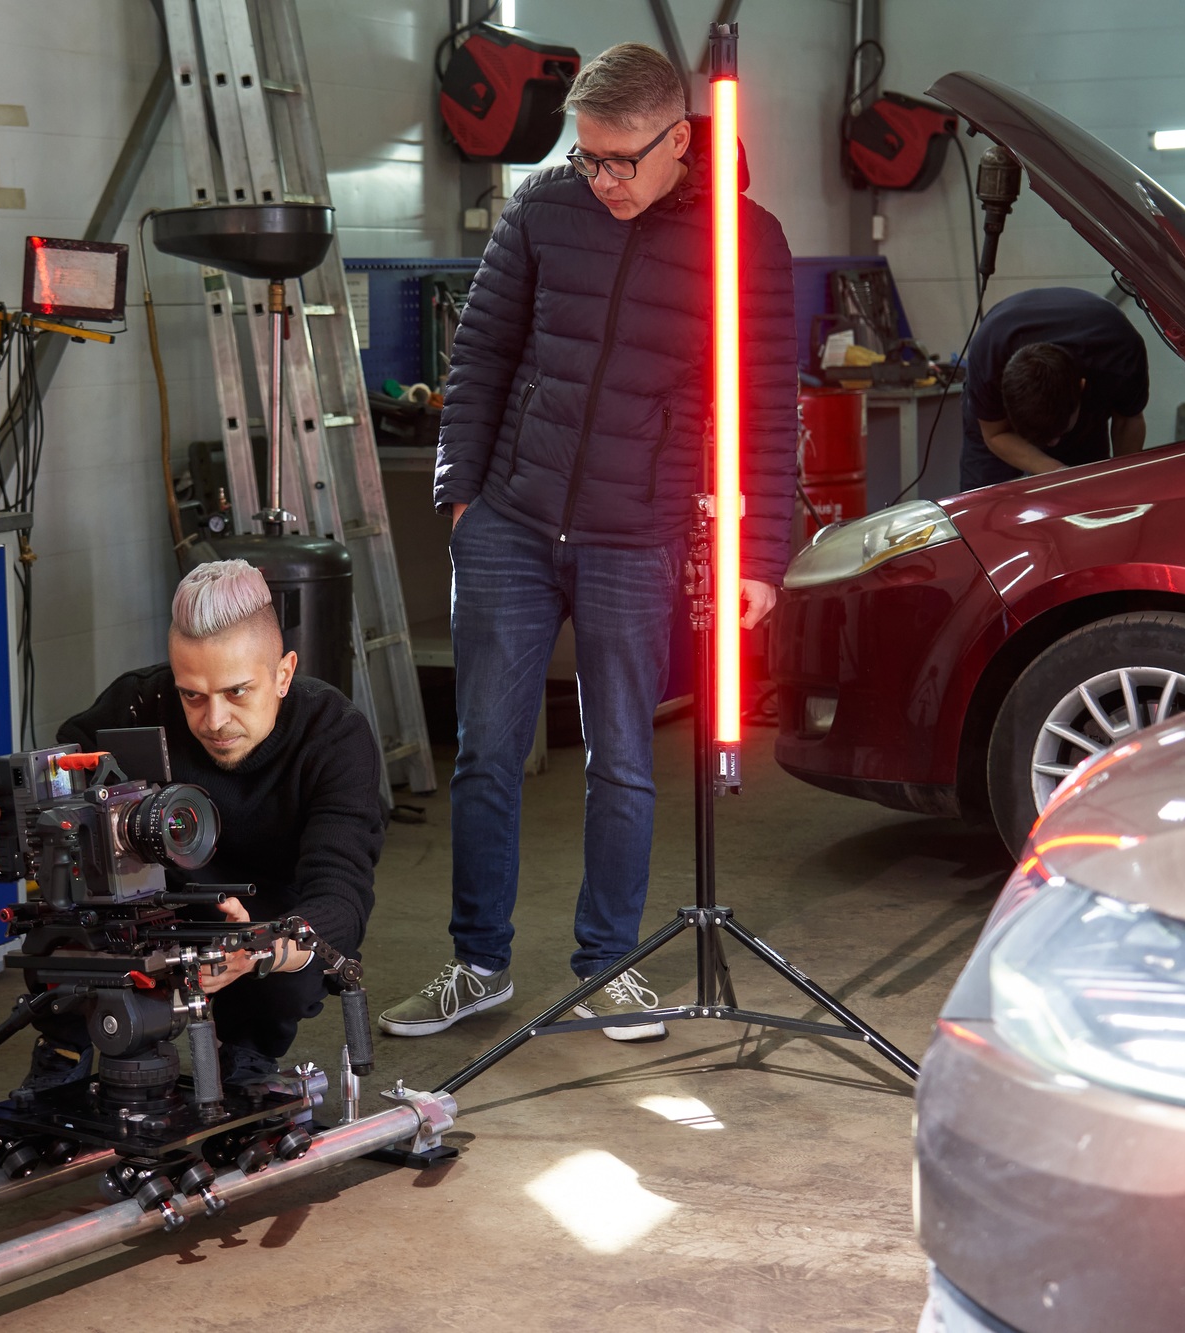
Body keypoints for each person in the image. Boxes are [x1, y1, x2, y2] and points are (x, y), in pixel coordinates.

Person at [380, 43, 796, 1042]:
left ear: (679, 141)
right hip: (510, 524)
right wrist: (459, 494)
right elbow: (478, 351)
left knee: (621, 759)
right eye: (587, 158)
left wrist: (760, 555)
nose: (600, 179)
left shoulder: (744, 242)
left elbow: (766, 409)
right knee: (485, 750)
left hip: (634, 535)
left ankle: (607, 966)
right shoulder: (544, 206)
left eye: (620, 160)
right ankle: (475, 963)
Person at [0, 559, 385, 1092]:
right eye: (192, 694)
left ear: (283, 674)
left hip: (257, 919)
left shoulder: (334, 737)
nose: (213, 721)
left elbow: (342, 895)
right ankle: (66, 1040)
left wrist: (262, 943)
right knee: (65, 914)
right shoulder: (132, 708)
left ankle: (247, 1051)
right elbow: (46, 831)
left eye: (237, 692)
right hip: (146, 914)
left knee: (295, 949)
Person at [958, 286, 1148, 490]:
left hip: (1087, 402)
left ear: (1081, 387)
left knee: (1088, 491)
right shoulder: (989, 359)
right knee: (985, 502)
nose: (1052, 444)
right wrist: (1055, 470)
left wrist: (1122, 484)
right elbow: (995, 434)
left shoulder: (1120, 353)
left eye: (1059, 432)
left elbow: (1128, 421)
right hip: (1001, 427)